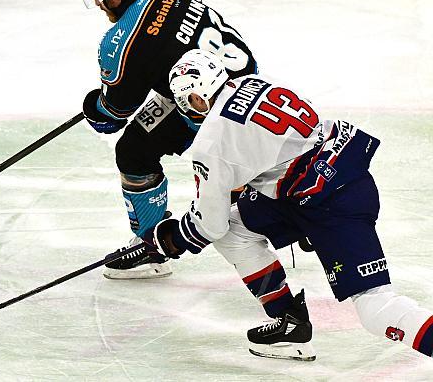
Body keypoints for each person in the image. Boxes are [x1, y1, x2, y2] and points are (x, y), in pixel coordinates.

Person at [141, 48, 433, 361]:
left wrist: (171, 239)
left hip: (331, 202)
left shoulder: (211, 142)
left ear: (195, 99)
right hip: (319, 176)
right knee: (234, 230)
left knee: (376, 307)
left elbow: (207, 225)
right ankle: (289, 322)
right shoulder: (255, 83)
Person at [79, 0, 258, 279]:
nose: (101, 2)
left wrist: (94, 108)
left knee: (133, 152)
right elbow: (164, 48)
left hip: (206, 106)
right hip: (248, 84)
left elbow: (114, 115)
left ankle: (150, 247)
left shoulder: (117, 43)